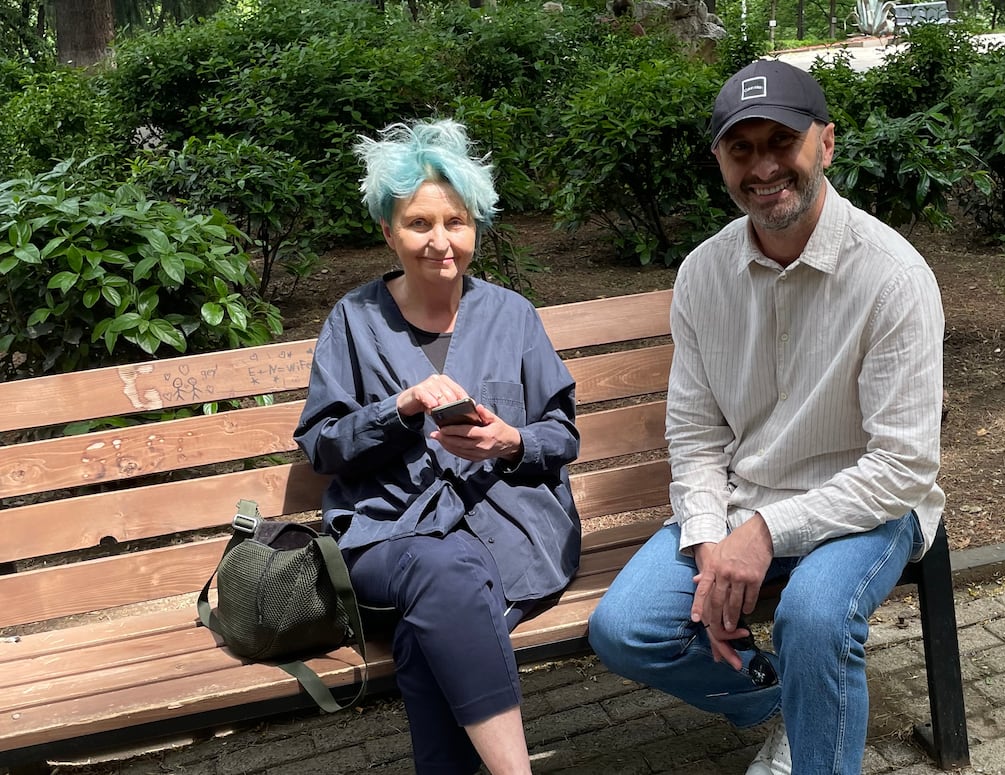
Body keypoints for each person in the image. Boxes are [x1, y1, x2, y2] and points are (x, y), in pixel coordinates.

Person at [587, 59, 945, 775]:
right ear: (720, 158)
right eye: (740, 148)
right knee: (625, 629)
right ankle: (783, 696)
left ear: (826, 143)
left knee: (812, 617)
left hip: (868, 507)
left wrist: (764, 533)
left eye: (781, 141)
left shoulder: (893, 276)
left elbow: (902, 465)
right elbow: (693, 433)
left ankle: (814, 725)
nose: (763, 166)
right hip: (745, 500)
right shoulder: (703, 273)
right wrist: (709, 532)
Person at [294, 119, 580, 775]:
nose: (441, 241)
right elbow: (323, 447)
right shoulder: (354, 321)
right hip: (386, 536)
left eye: (456, 221)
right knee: (444, 572)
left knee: (433, 631)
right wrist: (397, 408)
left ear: (476, 225)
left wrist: (511, 440)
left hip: (513, 535)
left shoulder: (512, 315)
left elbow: (561, 434)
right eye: (419, 223)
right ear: (387, 232)